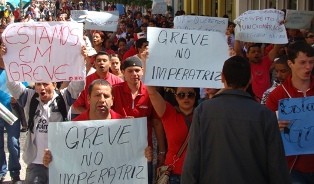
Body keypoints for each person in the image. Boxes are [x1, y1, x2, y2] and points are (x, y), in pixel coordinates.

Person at [181, 56, 290, 184]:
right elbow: (276, 166)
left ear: (222, 77)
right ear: (250, 79)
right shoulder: (265, 115)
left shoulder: (203, 111)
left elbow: (192, 161)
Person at [1, 44, 85, 184]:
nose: (42, 88)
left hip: (61, 160)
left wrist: (81, 60)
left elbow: (79, 84)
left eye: (45, 84)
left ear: (54, 84)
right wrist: (7, 59)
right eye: (38, 84)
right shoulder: (29, 98)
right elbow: (13, 85)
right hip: (35, 163)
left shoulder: (64, 98)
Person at [42, 79, 152, 167]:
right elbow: (65, 161)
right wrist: (51, 161)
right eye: (97, 95)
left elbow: (134, 159)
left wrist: (144, 156)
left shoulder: (126, 127)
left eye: (106, 96)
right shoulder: (73, 127)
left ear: (112, 100)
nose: (102, 100)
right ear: (88, 99)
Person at [111, 56, 166, 184]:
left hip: (143, 152)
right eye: (130, 71)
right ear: (123, 72)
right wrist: (120, 121)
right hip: (118, 150)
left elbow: (157, 123)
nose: (134, 74)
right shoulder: (114, 90)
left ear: (142, 71)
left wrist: (162, 151)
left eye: (137, 70)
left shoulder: (150, 92)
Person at [266, 41, 314, 183]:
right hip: (292, 167)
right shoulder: (276, 95)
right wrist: (275, 126)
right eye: (303, 62)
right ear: (290, 64)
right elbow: (266, 130)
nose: (308, 67)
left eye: (311, 62)